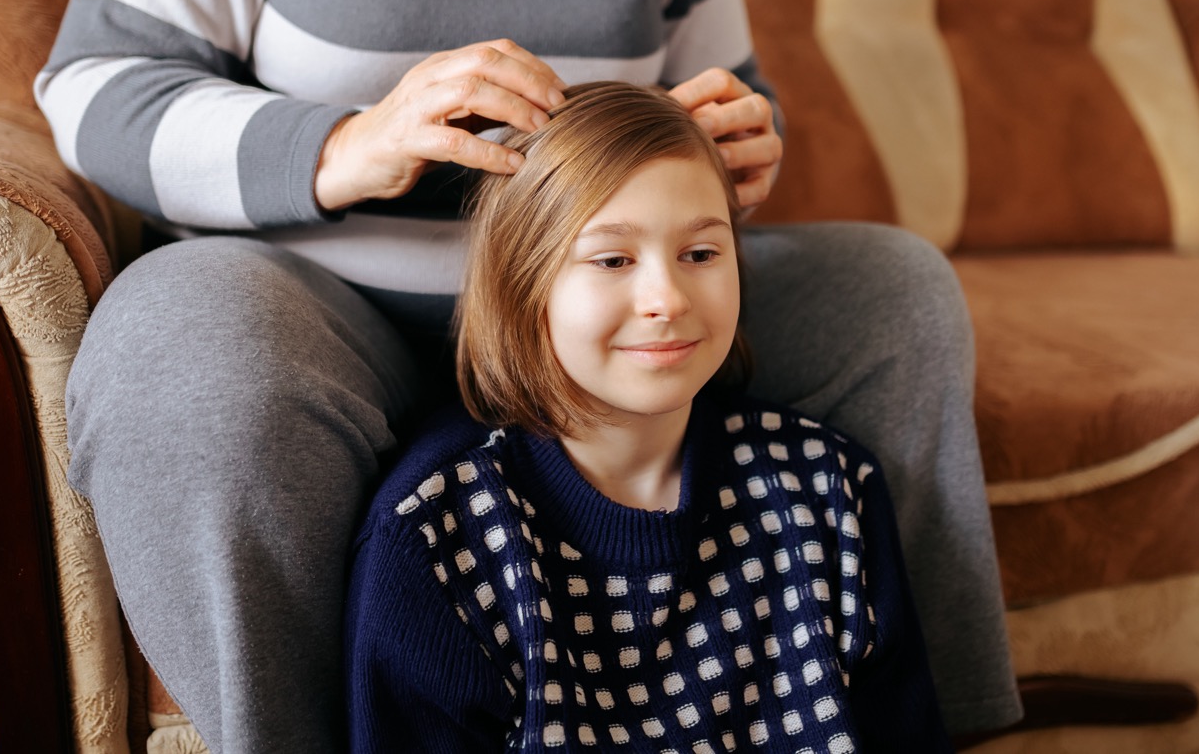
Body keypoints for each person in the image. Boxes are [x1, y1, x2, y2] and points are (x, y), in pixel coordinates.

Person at [40, 0, 1020, 749]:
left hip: (595, 293)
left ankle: (939, 716)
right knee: (184, 353)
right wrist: (350, 142)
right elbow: (96, 91)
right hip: (323, 303)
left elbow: (722, 97)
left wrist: (739, 140)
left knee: (891, 289)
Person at [345, 80, 953, 752]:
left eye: (700, 253)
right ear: (524, 283)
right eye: (613, 259)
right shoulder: (436, 539)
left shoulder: (831, 488)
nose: (666, 297)